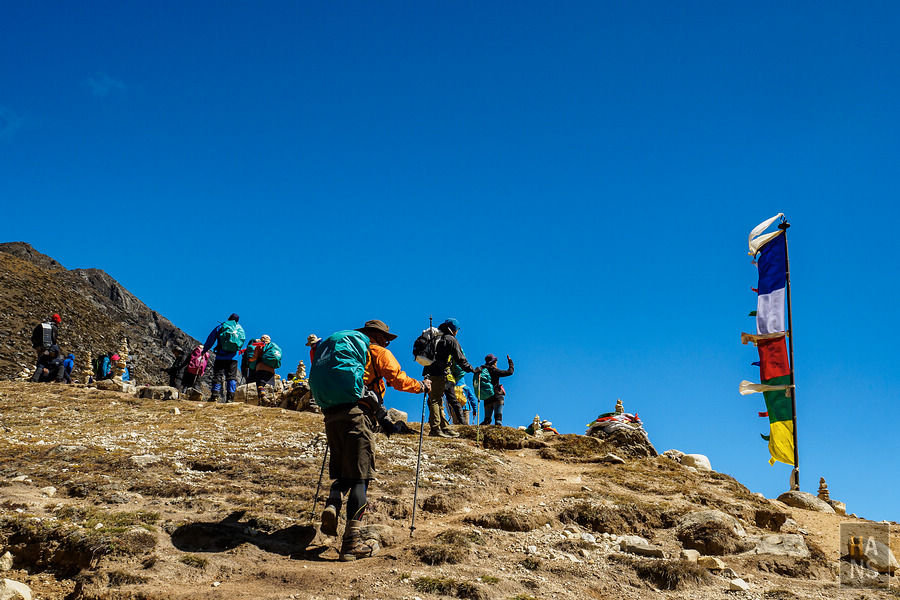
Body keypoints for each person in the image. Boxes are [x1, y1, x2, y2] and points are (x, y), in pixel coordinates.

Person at [318, 319, 431, 561]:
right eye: (385, 338)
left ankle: (333, 503)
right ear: (378, 336)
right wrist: (421, 386)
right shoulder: (377, 352)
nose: (386, 342)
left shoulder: (345, 354)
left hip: (331, 416)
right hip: (358, 417)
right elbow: (397, 379)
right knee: (361, 478)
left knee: (344, 473)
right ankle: (351, 544)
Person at [423, 318, 475, 438]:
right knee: (435, 400)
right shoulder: (451, 339)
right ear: (454, 329)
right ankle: (435, 429)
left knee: (436, 400)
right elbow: (460, 359)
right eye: (457, 329)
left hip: (429, 372)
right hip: (440, 374)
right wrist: (472, 369)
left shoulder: (437, 337)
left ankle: (445, 427)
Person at [202, 313, 246, 403]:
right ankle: (230, 398)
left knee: (218, 375)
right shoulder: (240, 329)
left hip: (220, 356)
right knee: (231, 377)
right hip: (233, 357)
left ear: (228, 318)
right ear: (237, 321)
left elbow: (211, 339)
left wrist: (205, 350)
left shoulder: (221, 327)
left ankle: (214, 396)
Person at [479, 353, 515, 426]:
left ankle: (478, 431)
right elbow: (510, 372)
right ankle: (498, 432)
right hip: (497, 397)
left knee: (487, 420)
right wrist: (510, 362)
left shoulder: (482, 371)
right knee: (498, 419)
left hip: (487, 398)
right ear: (494, 362)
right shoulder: (494, 371)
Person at [252, 334, 277, 403]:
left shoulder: (259, 346)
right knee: (268, 386)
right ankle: (271, 401)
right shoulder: (273, 347)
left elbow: (254, 357)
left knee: (260, 385)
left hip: (261, 367)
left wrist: (249, 360)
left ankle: (263, 398)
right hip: (271, 370)